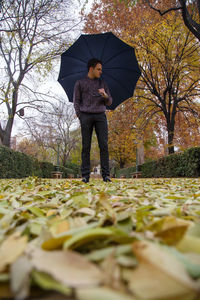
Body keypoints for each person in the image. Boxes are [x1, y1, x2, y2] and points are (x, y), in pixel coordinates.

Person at [73, 58, 113, 183]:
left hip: (100, 115)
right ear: (91, 68)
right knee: (86, 146)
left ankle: (106, 175)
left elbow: (110, 101)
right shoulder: (79, 83)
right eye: (98, 69)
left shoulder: (103, 83)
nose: (101, 71)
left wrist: (105, 96)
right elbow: (76, 101)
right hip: (86, 116)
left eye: (101, 69)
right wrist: (80, 115)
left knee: (104, 145)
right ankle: (85, 176)